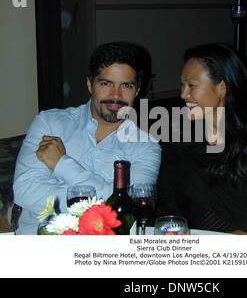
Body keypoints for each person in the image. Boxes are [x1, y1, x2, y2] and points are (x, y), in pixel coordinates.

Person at [14, 42, 161, 234]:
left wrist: (62, 164)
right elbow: (25, 191)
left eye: (126, 85)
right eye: (106, 83)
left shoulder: (146, 147)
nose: (115, 96)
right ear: (90, 84)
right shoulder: (49, 123)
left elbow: (128, 213)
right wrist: (107, 198)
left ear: (138, 90)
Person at [156, 43, 247, 235]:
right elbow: (168, 201)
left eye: (191, 86)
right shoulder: (180, 135)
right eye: (182, 85)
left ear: (221, 87)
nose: (182, 94)